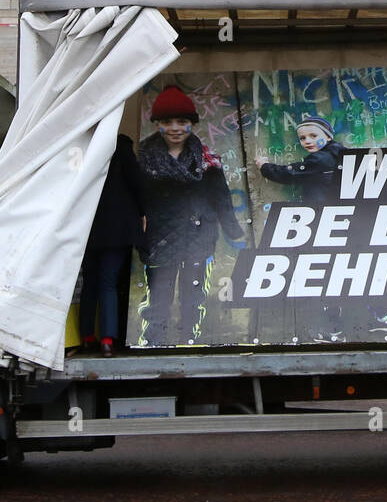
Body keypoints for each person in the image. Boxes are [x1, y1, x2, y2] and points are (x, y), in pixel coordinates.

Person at [138, 86, 245, 347]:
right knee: (159, 295)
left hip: (199, 236)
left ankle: (188, 339)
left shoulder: (207, 160)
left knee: (193, 294)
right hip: (158, 238)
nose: (175, 128)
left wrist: (235, 232)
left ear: (192, 124)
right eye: (167, 122)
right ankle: (155, 343)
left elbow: (221, 198)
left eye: (182, 122)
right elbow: (133, 197)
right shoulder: (142, 159)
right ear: (156, 124)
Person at [258, 115, 350, 342]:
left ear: (328, 136)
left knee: (322, 278)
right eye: (302, 138)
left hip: (322, 224)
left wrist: (265, 166)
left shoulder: (320, 159)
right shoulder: (340, 155)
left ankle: (332, 331)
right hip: (339, 222)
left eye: (313, 136)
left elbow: (289, 173)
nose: (307, 141)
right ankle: (359, 322)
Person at [69, 134, 145, 357]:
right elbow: (136, 182)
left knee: (90, 282)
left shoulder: (77, 146)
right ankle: (108, 340)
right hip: (117, 227)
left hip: (86, 226)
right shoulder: (119, 145)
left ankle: (86, 337)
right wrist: (142, 213)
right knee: (108, 282)